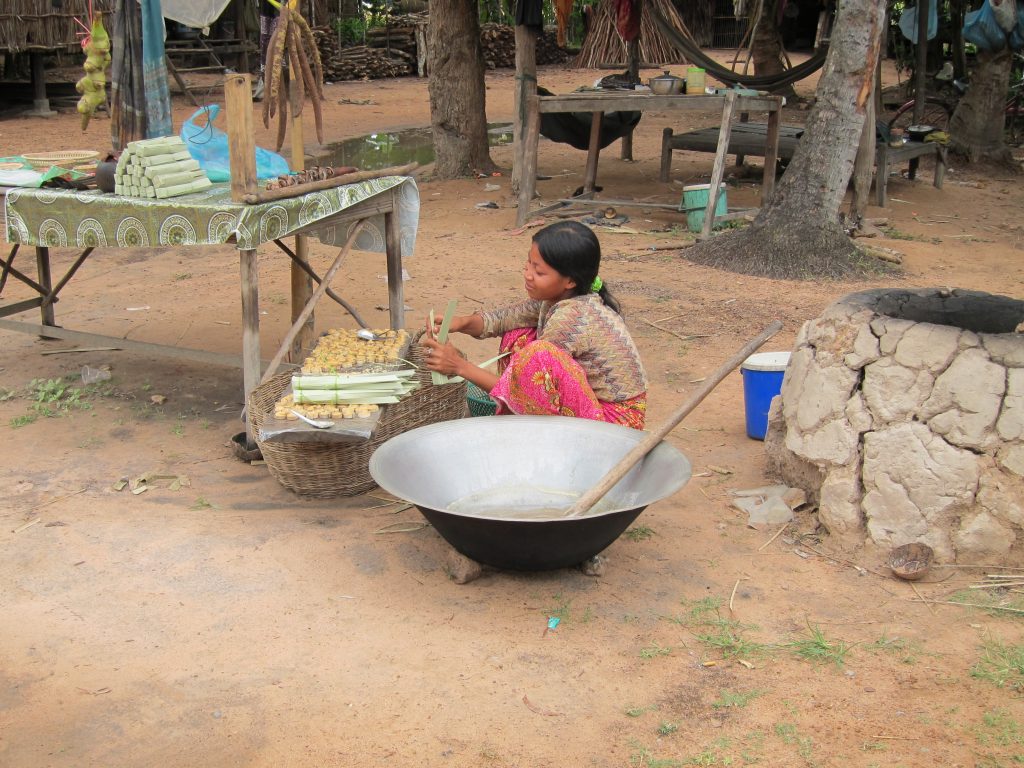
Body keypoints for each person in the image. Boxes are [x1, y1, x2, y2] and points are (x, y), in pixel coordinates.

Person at [421, 221, 648, 429]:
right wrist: (460, 322)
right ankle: (519, 418)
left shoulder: (574, 317)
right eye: (529, 264)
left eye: (539, 272)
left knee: (537, 355)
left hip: (615, 424)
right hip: (591, 405)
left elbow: (532, 383)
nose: (528, 275)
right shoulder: (559, 298)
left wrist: (460, 367)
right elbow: (502, 319)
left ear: (570, 281)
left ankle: (531, 429)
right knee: (518, 333)